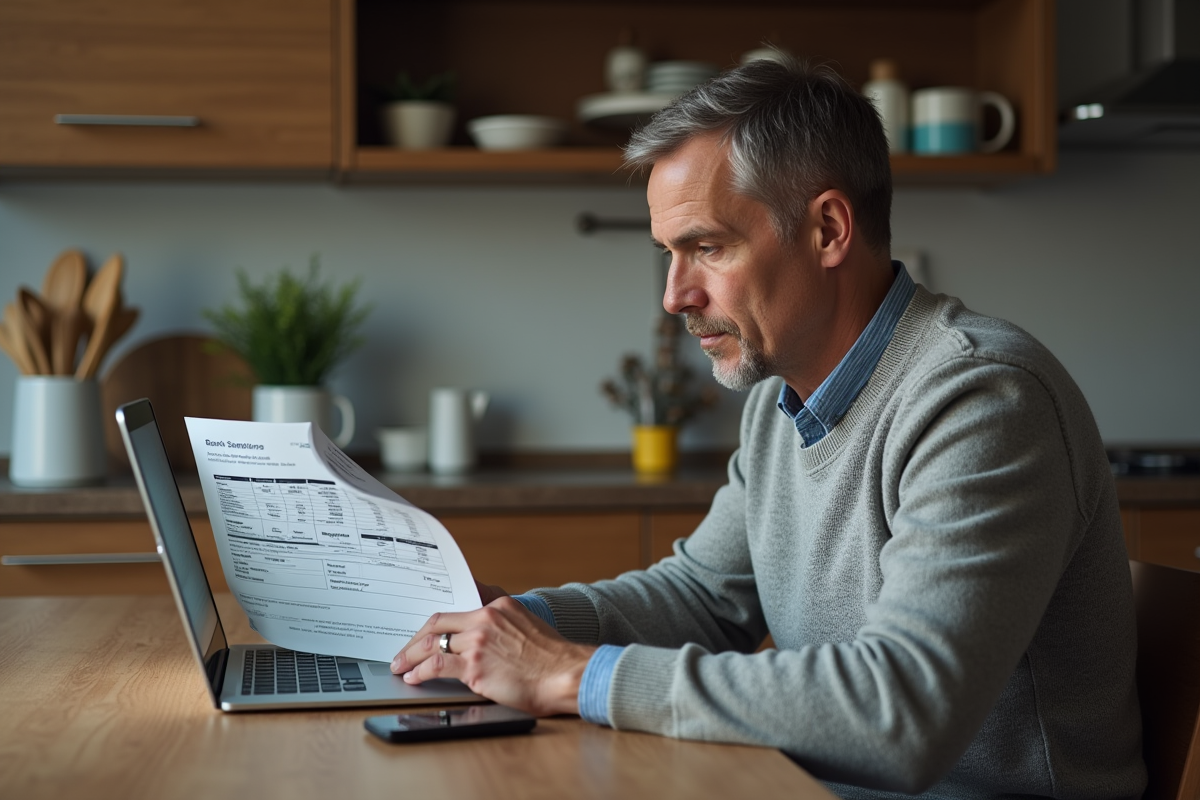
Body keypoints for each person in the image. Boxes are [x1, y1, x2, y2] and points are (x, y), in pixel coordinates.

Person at [391, 58, 1146, 798]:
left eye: (707, 247)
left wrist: (568, 673)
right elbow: (704, 598)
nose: (675, 295)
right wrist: (518, 624)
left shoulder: (982, 400)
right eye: (669, 253)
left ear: (827, 229)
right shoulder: (780, 402)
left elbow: (903, 713)